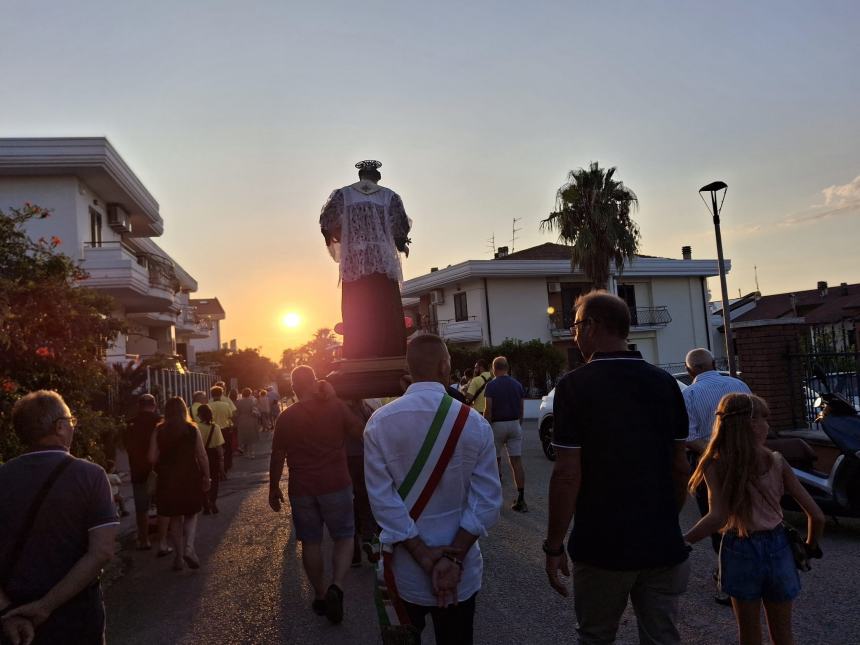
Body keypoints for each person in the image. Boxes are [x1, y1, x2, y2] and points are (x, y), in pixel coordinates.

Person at [545, 291, 691, 645]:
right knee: (663, 637)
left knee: (596, 636)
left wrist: (553, 545)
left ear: (593, 326)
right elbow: (679, 466)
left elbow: (567, 474)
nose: (573, 334)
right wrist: (664, 518)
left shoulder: (574, 387)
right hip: (662, 543)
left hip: (602, 545)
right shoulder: (665, 384)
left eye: (576, 325)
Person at [364, 334, 502, 644]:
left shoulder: (379, 423)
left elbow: (382, 502)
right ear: (445, 366)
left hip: (405, 571)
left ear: (408, 370)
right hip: (460, 570)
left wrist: (425, 559)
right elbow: (487, 502)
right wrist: (451, 561)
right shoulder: (474, 424)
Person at [685, 393, 825, 645]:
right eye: (764, 419)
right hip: (778, 546)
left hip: (738, 547)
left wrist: (683, 541)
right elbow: (816, 515)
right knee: (783, 634)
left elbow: (717, 517)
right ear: (752, 424)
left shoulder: (714, 464)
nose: (768, 425)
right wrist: (810, 547)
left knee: (748, 634)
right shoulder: (776, 461)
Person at [0, 390, 118, 645]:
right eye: (71, 421)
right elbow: (102, 551)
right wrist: (45, 606)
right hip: (76, 616)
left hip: (13, 624)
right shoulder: (91, 475)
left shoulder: (4, 476)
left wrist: (7, 612)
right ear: (60, 427)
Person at [269, 366, 364, 624]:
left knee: (311, 543)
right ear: (315, 383)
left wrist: (273, 488)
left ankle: (321, 594)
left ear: (293, 388)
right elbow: (360, 431)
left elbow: (277, 456)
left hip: (303, 488)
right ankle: (337, 586)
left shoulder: (286, 417)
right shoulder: (334, 407)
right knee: (344, 537)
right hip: (336, 483)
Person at [319, 159, 412, 359]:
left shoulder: (342, 195)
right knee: (385, 309)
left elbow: (326, 221)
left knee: (356, 310)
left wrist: (343, 237)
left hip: (355, 260)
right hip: (382, 260)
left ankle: (359, 353)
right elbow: (400, 228)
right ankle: (391, 354)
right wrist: (400, 243)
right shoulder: (390, 196)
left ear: (360, 177)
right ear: (377, 177)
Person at [682, 347, 752, 605]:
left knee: (716, 521)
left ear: (690, 371)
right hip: (746, 460)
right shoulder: (739, 383)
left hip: (709, 466)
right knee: (744, 516)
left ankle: (727, 580)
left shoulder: (688, 394)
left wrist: (717, 454)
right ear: (713, 363)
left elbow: (689, 438)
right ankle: (751, 570)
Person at [148, 397, 211, 572]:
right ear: (185, 410)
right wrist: (207, 476)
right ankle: (189, 548)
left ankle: (178, 556)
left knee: (175, 517)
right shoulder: (192, 429)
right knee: (191, 513)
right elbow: (202, 455)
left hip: (167, 478)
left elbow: (152, 458)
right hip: (189, 476)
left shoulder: (159, 430)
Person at [483, 356, 527, 512]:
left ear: (494, 369)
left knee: (495, 461)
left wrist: (486, 426)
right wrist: (518, 424)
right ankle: (521, 498)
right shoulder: (517, 385)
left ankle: (495, 500)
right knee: (516, 462)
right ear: (507, 368)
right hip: (515, 424)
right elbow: (522, 409)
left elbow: (488, 409)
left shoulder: (491, 386)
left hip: (497, 425)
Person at [124, 393, 162, 551]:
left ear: (139, 406)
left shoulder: (130, 423)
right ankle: (163, 539)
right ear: (154, 405)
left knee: (141, 507)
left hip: (138, 469)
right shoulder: (160, 422)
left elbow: (127, 446)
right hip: (158, 469)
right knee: (162, 504)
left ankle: (144, 539)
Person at [195, 404, 225, 515]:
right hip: (213, 455)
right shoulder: (215, 427)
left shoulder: (196, 427)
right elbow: (219, 447)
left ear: (199, 415)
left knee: (202, 480)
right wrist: (221, 461)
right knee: (215, 480)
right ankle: (212, 500)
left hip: (200, 455)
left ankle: (205, 504)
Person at [209, 385, 236, 473]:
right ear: (221, 394)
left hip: (212, 430)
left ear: (212, 395)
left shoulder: (208, 405)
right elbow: (231, 416)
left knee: (215, 450)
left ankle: (217, 467)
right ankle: (227, 465)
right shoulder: (225, 405)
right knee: (227, 449)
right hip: (225, 429)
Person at [235, 388, 261, 459]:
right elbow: (256, 411)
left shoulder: (238, 402)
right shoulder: (253, 401)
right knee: (251, 438)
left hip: (241, 420)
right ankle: (252, 453)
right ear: (250, 394)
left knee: (244, 437)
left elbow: (236, 413)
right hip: (251, 420)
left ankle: (245, 452)